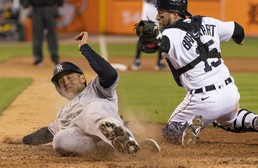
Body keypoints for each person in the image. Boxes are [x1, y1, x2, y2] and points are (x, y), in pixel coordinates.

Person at [135, 0, 258, 147]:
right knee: (229, 120)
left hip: (203, 100)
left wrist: (153, 39)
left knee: (170, 132)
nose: (158, 16)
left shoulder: (168, 34)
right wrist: (239, 40)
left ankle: (191, 128)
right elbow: (237, 29)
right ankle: (257, 121)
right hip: (230, 94)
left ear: (175, 14)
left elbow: (158, 44)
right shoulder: (208, 21)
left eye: (162, 12)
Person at [7, 31, 160, 156]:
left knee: (93, 109)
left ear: (82, 77)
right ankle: (112, 146)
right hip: (89, 140)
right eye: (61, 81)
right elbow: (47, 133)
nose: (65, 82)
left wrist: (85, 48)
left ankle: (119, 134)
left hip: (100, 114)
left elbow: (110, 74)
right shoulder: (63, 113)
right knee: (59, 140)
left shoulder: (96, 87)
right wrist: (21, 140)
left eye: (69, 77)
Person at [131, 0, 176, 71]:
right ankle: (137, 60)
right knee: (144, 31)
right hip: (149, 6)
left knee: (162, 33)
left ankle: (159, 61)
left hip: (163, 8)